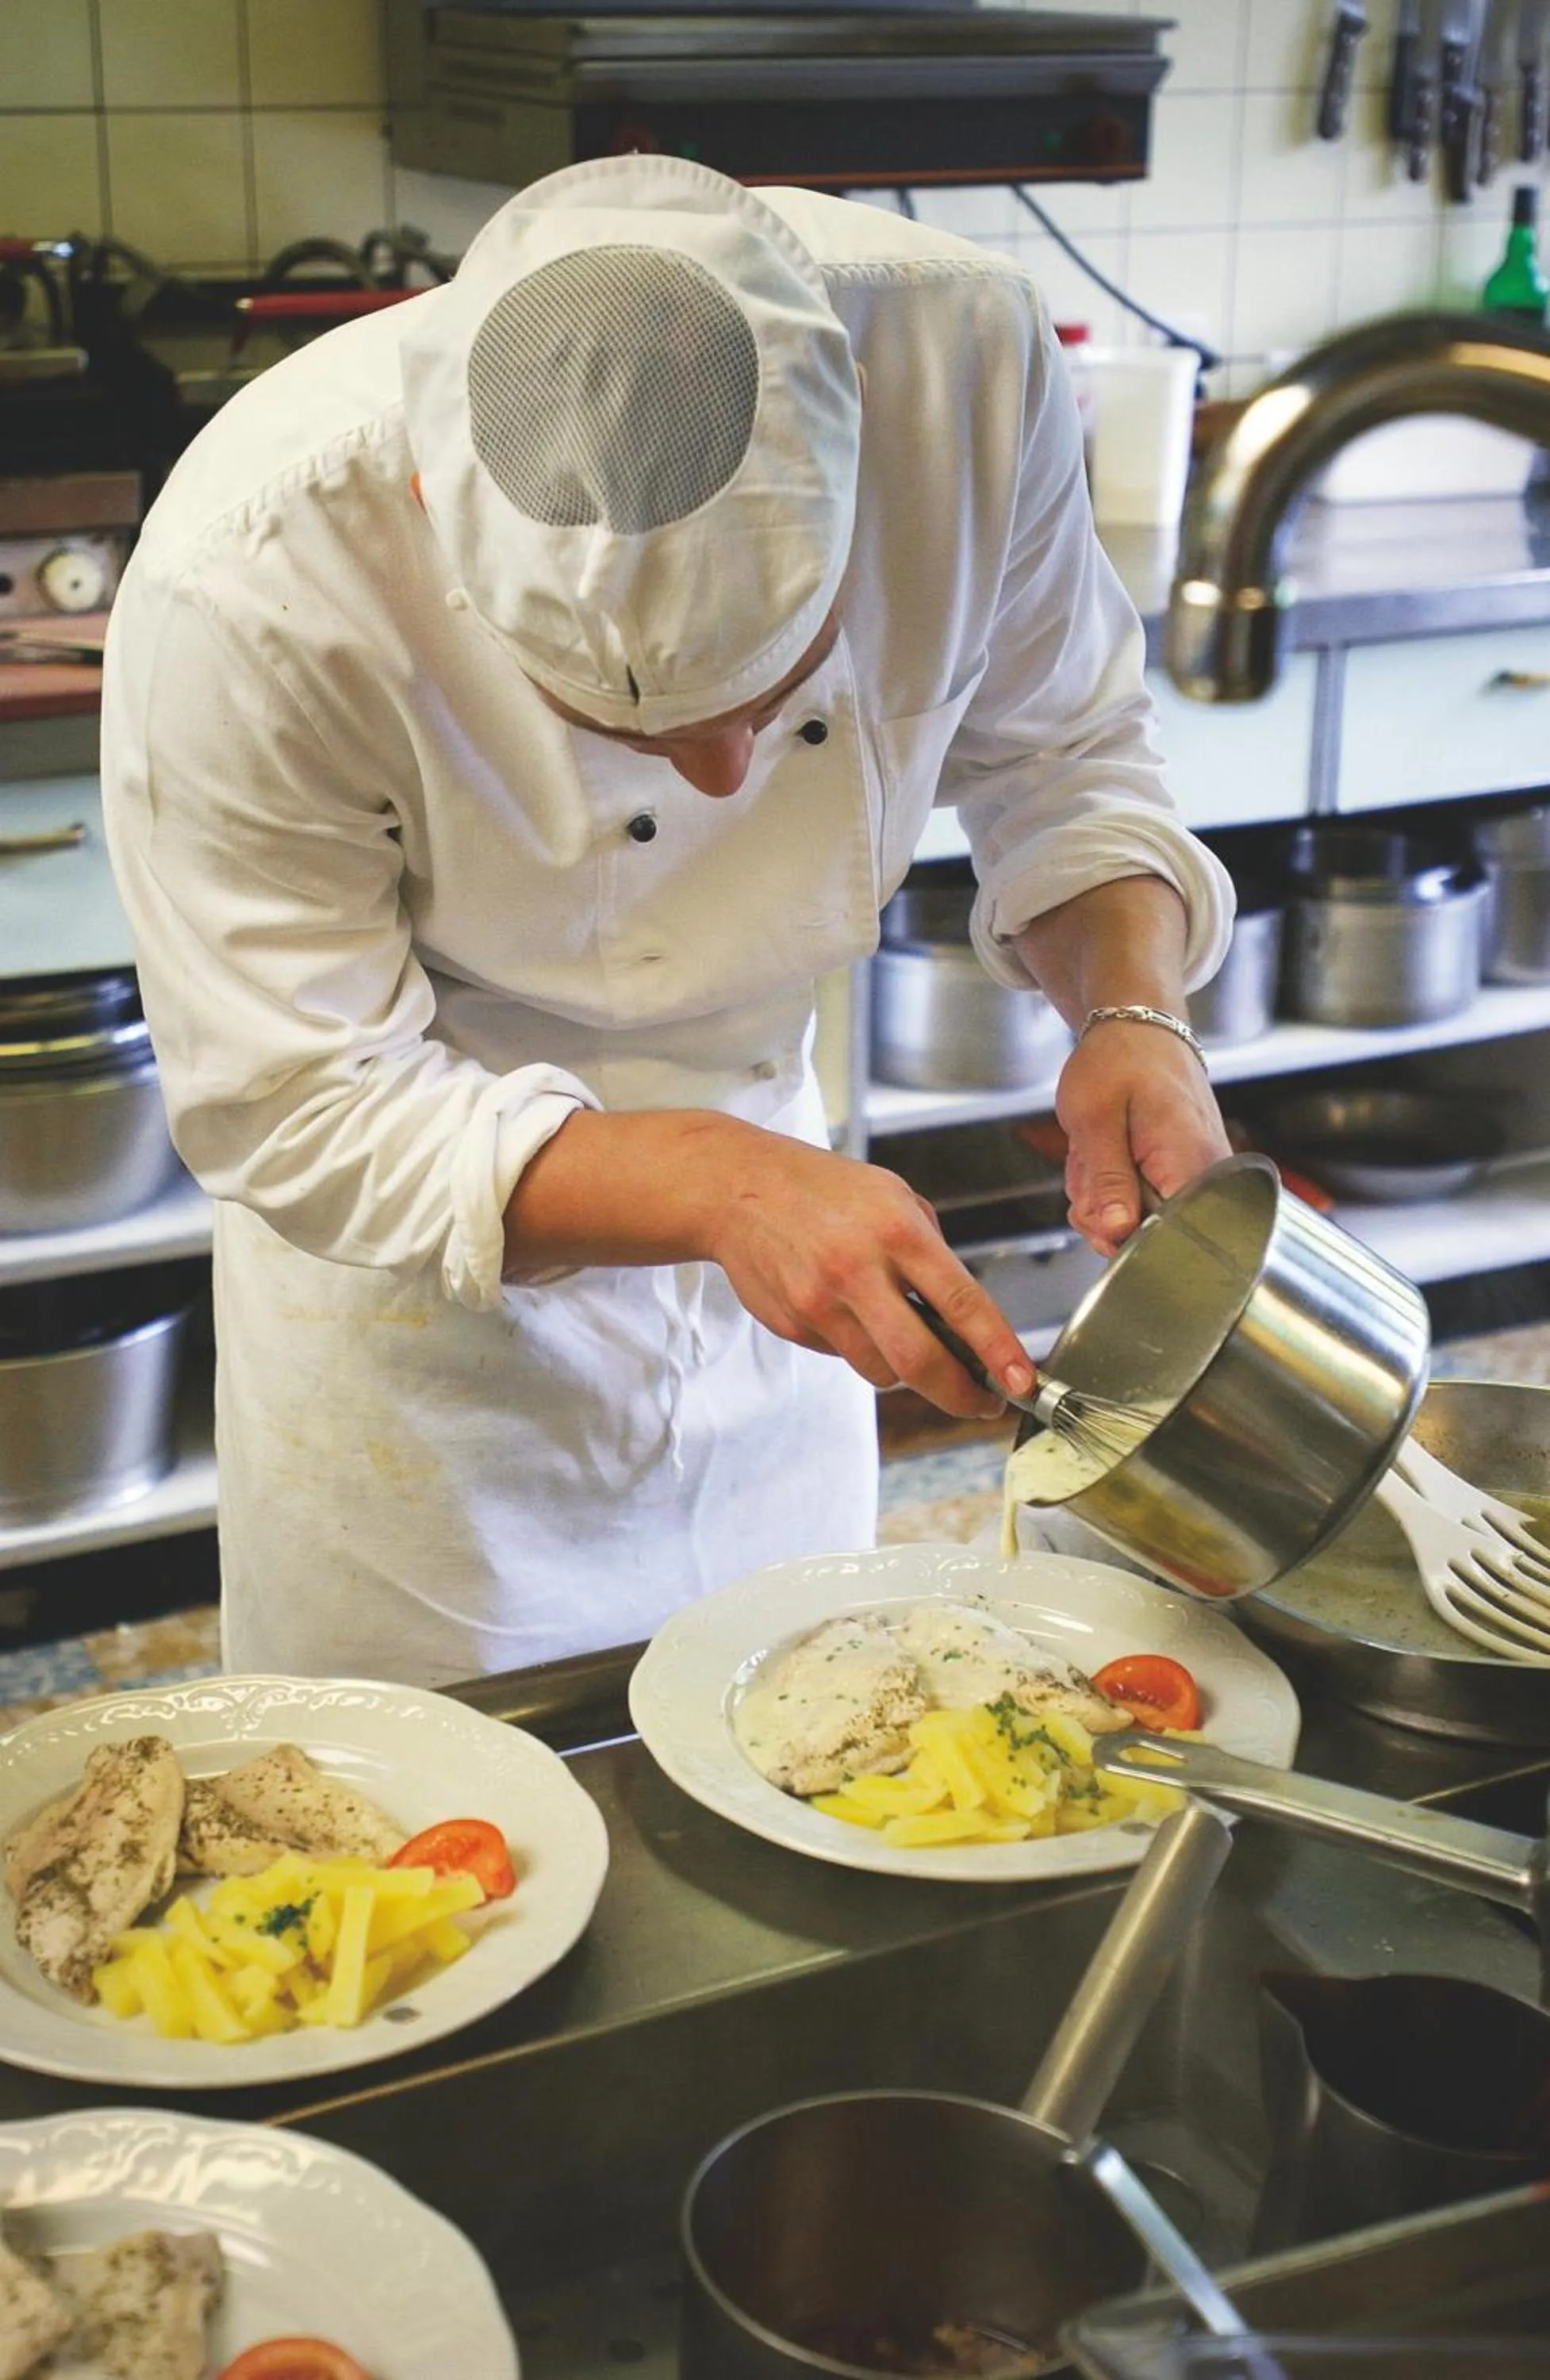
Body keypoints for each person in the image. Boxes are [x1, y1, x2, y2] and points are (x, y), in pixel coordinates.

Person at [101, 156, 1233, 1687]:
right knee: (433, 1865)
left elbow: (1065, 753)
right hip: (420, 1343)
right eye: (619, 723)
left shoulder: (958, 372)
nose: (720, 772)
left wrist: (1130, 1011)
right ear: (441, 514)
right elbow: (297, 1104)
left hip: (787, 1269)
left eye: (775, 690)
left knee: (805, 1740)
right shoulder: (252, 574)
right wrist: (717, 1187)